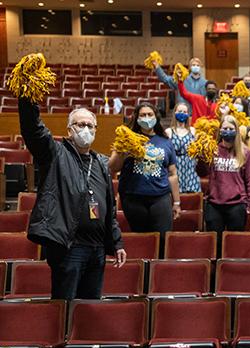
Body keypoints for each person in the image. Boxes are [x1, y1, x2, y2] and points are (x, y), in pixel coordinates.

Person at [18, 99, 125, 300]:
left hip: (97, 249)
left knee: (90, 309)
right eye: (80, 124)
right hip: (69, 247)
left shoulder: (101, 162)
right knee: (64, 307)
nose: (86, 129)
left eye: (90, 126)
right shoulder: (56, 153)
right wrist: (27, 99)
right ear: (69, 130)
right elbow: (33, 130)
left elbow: (109, 209)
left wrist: (117, 242)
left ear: (95, 130)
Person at [109, 102, 181, 237]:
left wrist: (176, 202)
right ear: (136, 118)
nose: (146, 118)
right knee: (142, 238)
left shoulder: (166, 141)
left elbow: (173, 174)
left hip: (160, 196)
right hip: (133, 197)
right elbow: (113, 167)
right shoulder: (126, 138)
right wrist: (124, 152)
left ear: (156, 117)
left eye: (150, 114)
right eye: (142, 115)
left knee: (163, 237)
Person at [197, 115, 250, 251]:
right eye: (225, 128)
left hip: (237, 205)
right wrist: (201, 158)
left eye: (231, 128)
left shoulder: (245, 153)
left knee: (234, 244)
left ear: (236, 131)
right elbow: (202, 173)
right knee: (215, 245)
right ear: (220, 130)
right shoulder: (212, 150)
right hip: (214, 204)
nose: (228, 131)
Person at [165, 102, 200, 193]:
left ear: (188, 114)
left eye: (185, 112)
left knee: (192, 194)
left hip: (190, 167)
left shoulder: (193, 131)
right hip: (175, 167)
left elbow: (196, 150)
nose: (182, 113)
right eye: (180, 111)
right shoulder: (169, 132)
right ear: (175, 113)